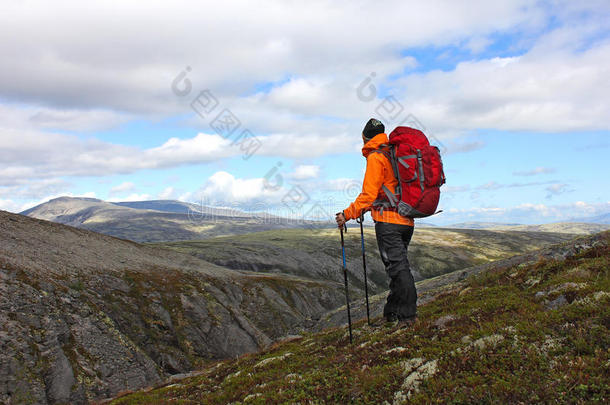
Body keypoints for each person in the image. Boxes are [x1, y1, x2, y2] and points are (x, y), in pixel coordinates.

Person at [335, 118, 417, 325]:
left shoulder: (376, 157)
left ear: (365, 137)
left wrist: (347, 214)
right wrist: (368, 207)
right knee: (397, 269)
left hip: (388, 222)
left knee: (398, 269)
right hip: (406, 220)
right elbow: (388, 190)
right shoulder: (393, 153)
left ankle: (407, 317)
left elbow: (369, 194)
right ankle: (392, 313)